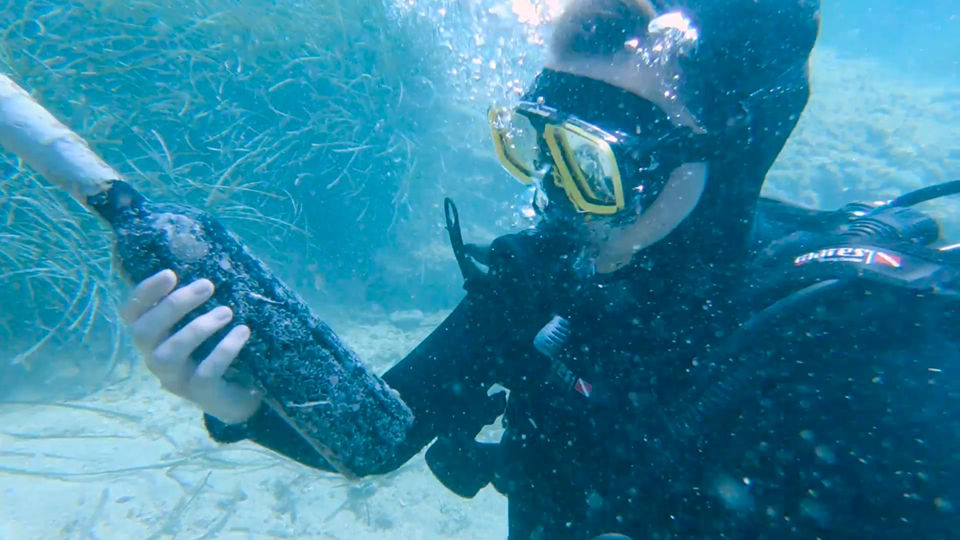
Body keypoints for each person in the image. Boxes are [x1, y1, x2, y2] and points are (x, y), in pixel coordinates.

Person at [120, 0, 960, 538]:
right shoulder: (548, 276)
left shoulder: (862, 368)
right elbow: (381, 434)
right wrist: (242, 401)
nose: (556, 197)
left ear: (725, 159)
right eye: (535, 144)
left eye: (593, 166)